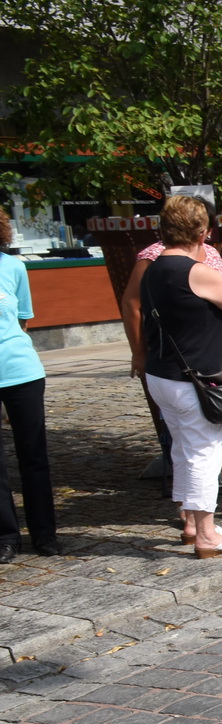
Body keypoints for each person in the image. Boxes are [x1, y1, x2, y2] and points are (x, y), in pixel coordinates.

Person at [122, 208, 222, 527]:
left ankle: (190, 522)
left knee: (183, 448)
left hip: (164, 371)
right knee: (204, 453)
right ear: (201, 231)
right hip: (196, 373)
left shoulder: (153, 266)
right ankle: (206, 531)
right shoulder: (193, 269)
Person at [0, 208, 58, 562]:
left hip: (21, 372)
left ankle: (44, 533)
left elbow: (22, 323)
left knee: (33, 456)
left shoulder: (14, 267)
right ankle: (7, 536)